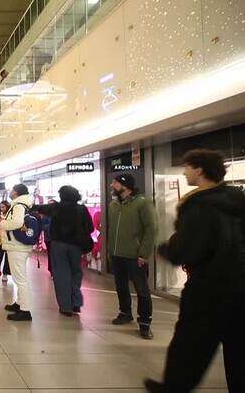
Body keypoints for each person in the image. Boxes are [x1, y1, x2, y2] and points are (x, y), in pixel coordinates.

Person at [144, 150, 245, 393]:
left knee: (190, 346)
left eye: (187, 167)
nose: (184, 172)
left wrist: (166, 250)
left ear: (199, 170)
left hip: (208, 288)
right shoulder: (238, 200)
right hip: (241, 285)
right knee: (239, 347)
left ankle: (173, 388)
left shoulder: (198, 205)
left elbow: (187, 249)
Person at [107, 173, 157, 340]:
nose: (112, 185)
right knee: (121, 286)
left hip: (135, 256)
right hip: (117, 254)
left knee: (142, 290)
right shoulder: (113, 205)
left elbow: (151, 229)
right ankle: (125, 313)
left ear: (124, 186)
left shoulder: (142, 203)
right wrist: (109, 250)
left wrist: (144, 253)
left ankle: (144, 323)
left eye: (115, 183)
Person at [32, 186, 93, 316]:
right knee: (76, 273)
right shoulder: (82, 209)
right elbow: (90, 227)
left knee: (61, 274)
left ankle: (66, 306)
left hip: (59, 245)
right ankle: (76, 303)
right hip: (76, 246)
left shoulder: (57, 207)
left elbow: (40, 208)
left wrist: (30, 205)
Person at [0, 184, 34, 321]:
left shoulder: (18, 205)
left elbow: (17, 223)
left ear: (16, 192)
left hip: (17, 246)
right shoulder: (23, 204)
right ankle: (19, 303)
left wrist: (2, 225)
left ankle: (25, 310)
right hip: (18, 246)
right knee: (19, 277)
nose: (10, 192)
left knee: (20, 279)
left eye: (12, 190)